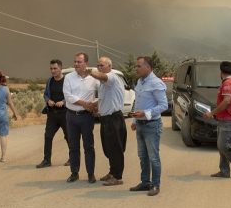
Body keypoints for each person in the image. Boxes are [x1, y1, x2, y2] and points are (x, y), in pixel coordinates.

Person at [129, 56, 168, 196]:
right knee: (142, 156)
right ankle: (145, 182)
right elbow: (138, 102)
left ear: (148, 67)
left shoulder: (156, 83)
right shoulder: (140, 82)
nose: (136, 69)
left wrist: (146, 113)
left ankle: (156, 185)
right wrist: (135, 121)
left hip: (152, 125)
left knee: (153, 157)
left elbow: (164, 105)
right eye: (136, 66)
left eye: (139, 66)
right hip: (140, 125)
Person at [89, 56, 127, 186]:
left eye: (102, 65)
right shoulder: (103, 83)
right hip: (106, 118)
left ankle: (117, 177)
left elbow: (102, 76)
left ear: (110, 66)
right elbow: (105, 99)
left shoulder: (111, 77)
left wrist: (89, 71)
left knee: (116, 148)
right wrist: (96, 106)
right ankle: (112, 172)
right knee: (109, 148)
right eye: (98, 65)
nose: (99, 67)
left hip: (113, 118)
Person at [63, 52, 99, 183]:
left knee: (88, 146)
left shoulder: (93, 77)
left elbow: (102, 91)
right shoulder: (69, 77)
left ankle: (90, 174)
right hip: (71, 116)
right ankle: (74, 173)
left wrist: (95, 105)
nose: (76, 64)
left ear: (86, 63)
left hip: (86, 117)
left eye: (79, 62)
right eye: (75, 61)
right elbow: (68, 96)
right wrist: (85, 104)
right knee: (73, 146)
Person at [203, 61, 231, 178]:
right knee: (222, 146)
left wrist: (211, 113)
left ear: (221, 72)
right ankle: (224, 171)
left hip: (229, 119)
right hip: (226, 119)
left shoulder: (227, 84)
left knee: (224, 146)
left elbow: (226, 101)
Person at [36, 59, 70, 168]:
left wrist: (63, 102)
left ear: (60, 68)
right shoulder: (50, 81)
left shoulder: (67, 81)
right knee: (48, 136)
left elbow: (71, 95)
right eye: (51, 68)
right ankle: (47, 160)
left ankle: (72, 158)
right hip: (52, 114)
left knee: (69, 136)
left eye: (55, 68)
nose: (53, 71)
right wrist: (48, 100)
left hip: (65, 113)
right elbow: (45, 94)